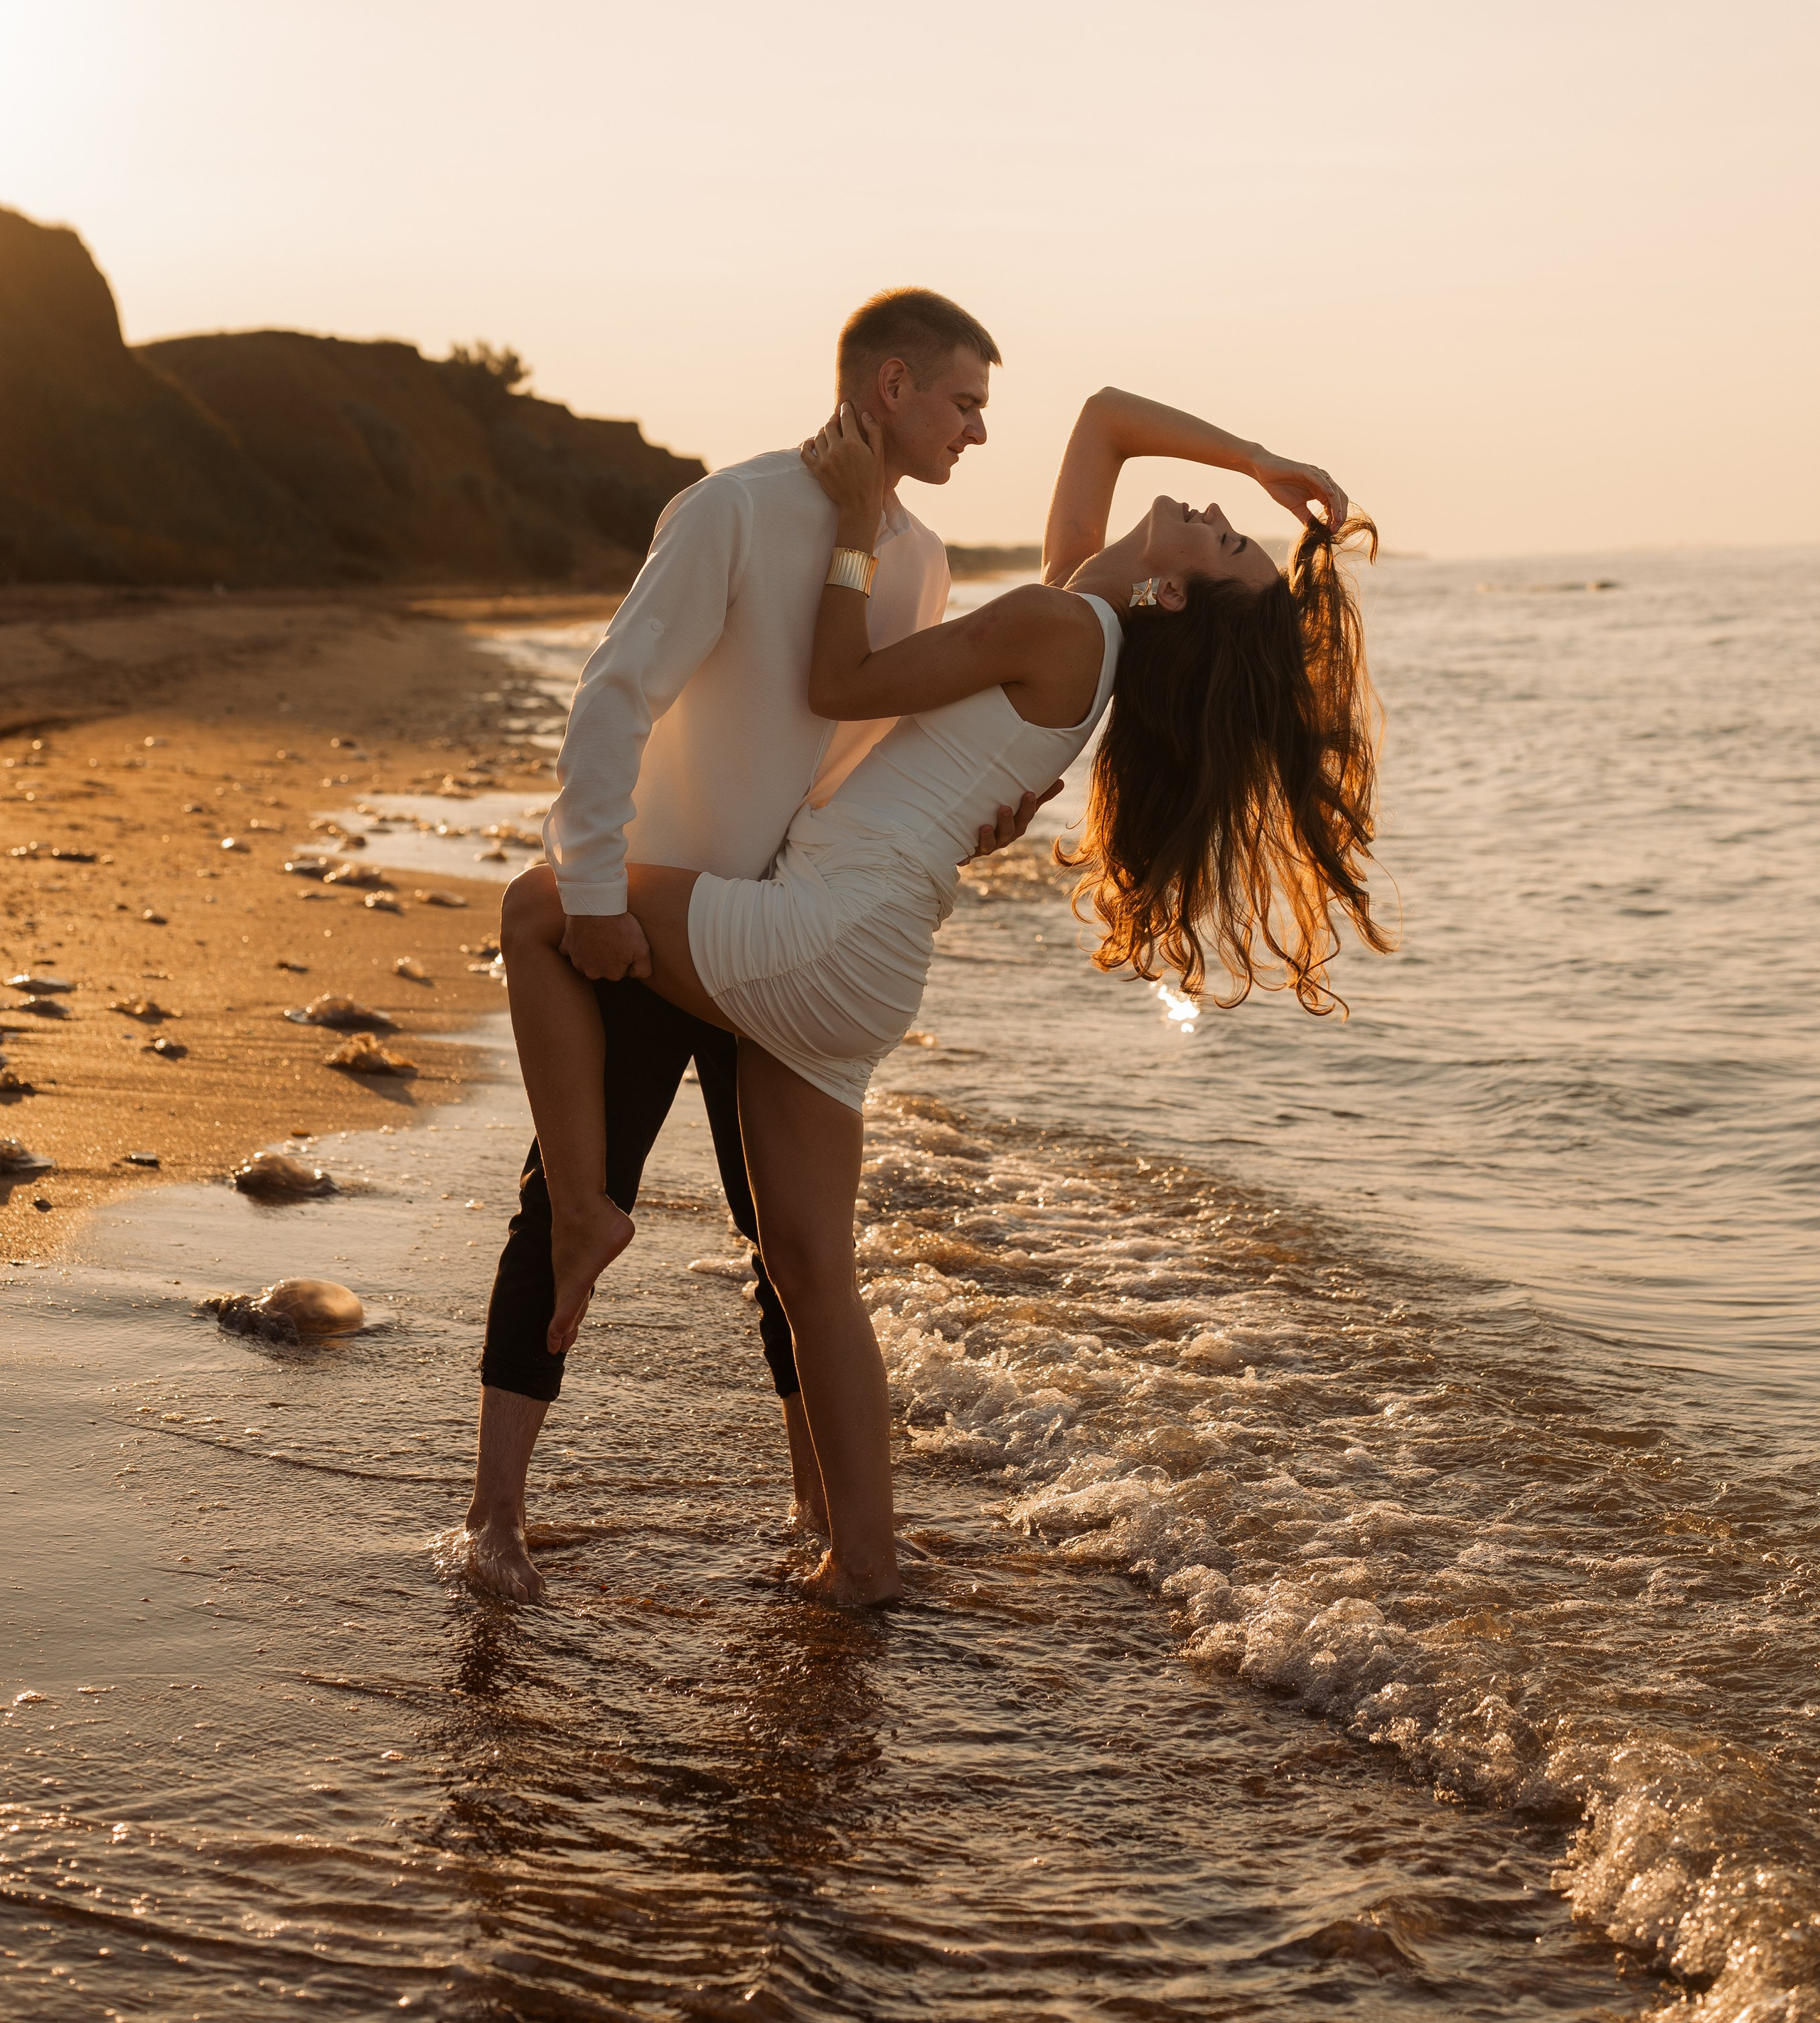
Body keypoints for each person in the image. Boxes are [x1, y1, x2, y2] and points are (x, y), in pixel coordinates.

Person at [500, 382, 1386, 1606]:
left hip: (824, 928)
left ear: (1173, 593)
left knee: (542, 909)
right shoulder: (1079, 611)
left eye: (1225, 537)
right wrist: (1268, 450)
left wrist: (860, 520)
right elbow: (1105, 420)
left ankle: (586, 1209)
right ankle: (863, 1564)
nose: (1219, 510)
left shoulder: (1062, 627)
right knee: (812, 1271)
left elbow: (835, 679)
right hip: (866, 961)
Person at [462, 287, 1051, 1603]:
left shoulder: (919, 558)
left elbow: (874, 760)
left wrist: (972, 828)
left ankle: (820, 1509)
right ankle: (497, 1518)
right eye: (965, 403)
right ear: (890, 387)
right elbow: (618, 689)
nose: (977, 431)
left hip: (779, 939)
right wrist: (600, 889)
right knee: (562, 1208)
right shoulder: (732, 507)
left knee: (787, 1245)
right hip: (650, 921)